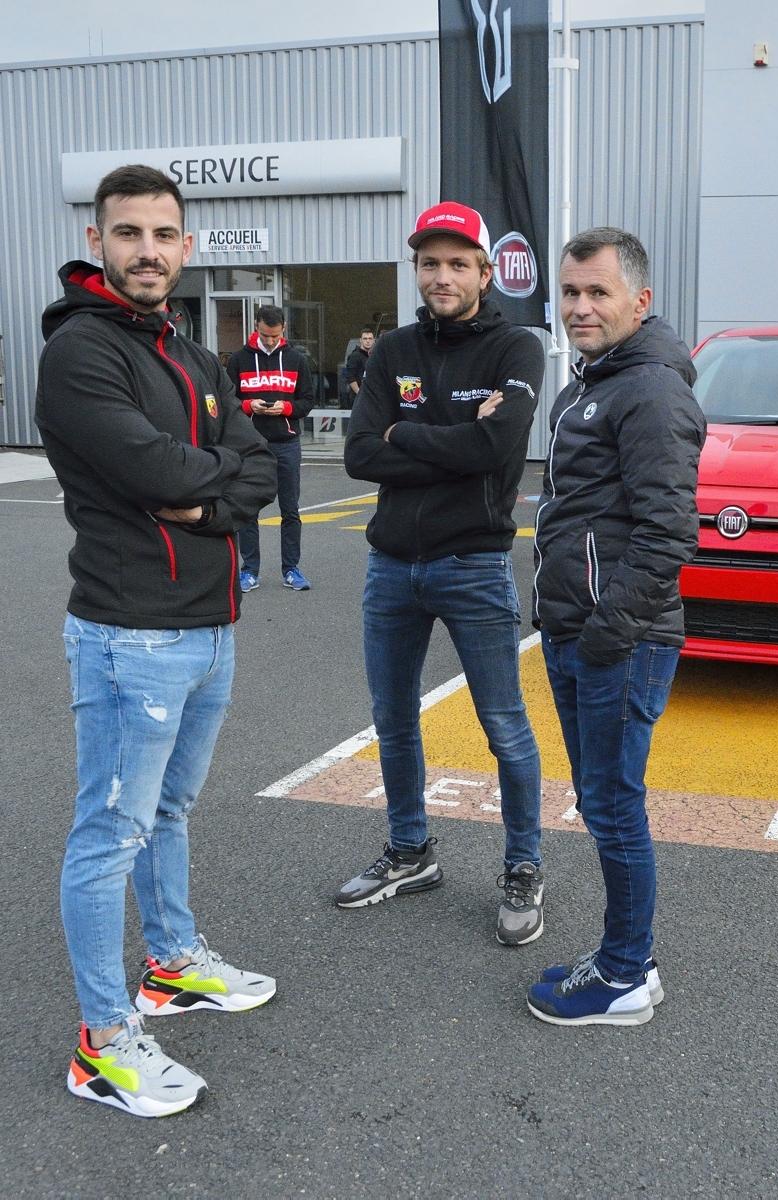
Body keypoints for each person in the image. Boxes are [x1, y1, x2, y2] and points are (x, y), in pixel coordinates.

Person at [36, 164, 279, 1117]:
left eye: (164, 234)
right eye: (129, 232)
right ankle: (102, 1043)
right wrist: (209, 482)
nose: (148, 250)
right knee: (110, 833)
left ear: (187, 245)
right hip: (129, 636)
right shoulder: (81, 352)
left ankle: (171, 965)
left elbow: (258, 464)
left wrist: (204, 501)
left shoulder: (188, 350)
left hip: (209, 628)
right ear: (97, 241)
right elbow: (151, 470)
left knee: (167, 811)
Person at [338, 201, 545, 945]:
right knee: (392, 719)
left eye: (459, 263)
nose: (442, 276)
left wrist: (404, 432)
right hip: (392, 566)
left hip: (474, 565)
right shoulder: (393, 349)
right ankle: (410, 852)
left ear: (486, 273)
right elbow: (359, 454)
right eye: (430, 263)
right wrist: (455, 437)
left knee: (504, 727)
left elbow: (498, 450)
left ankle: (523, 866)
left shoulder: (517, 348)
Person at [526, 227, 705, 1027]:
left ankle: (626, 975)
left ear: (640, 301)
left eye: (598, 292)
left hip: (617, 641)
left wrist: (606, 634)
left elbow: (669, 534)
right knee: (602, 801)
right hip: (581, 631)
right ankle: (628, 959)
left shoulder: (651, 390)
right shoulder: (591, 385)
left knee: (613, 804)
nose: (580, 307)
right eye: (570, 292)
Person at [227, 305, 314, 591]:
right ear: (256, 327)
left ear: (283, 329)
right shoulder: (239, 360)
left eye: (275, 336)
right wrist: (247, 405)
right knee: (248, 510)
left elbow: (307, 400)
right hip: (250, 445)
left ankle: (291, 569)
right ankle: (249, 571)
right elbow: (227, 400)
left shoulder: (296, 359)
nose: (270, 340)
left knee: (290, 510)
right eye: (265, 335)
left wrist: (286, 408)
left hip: (286, 443)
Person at [343, 326, 375, 404]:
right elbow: (351, 377)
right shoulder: (355, 356)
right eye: (365, 338)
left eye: (370, 338)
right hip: (359, 399)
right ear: (360, 340)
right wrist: (360, 394)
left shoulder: (374, 356)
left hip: (371, 397)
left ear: (374, 340)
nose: (368, 341)